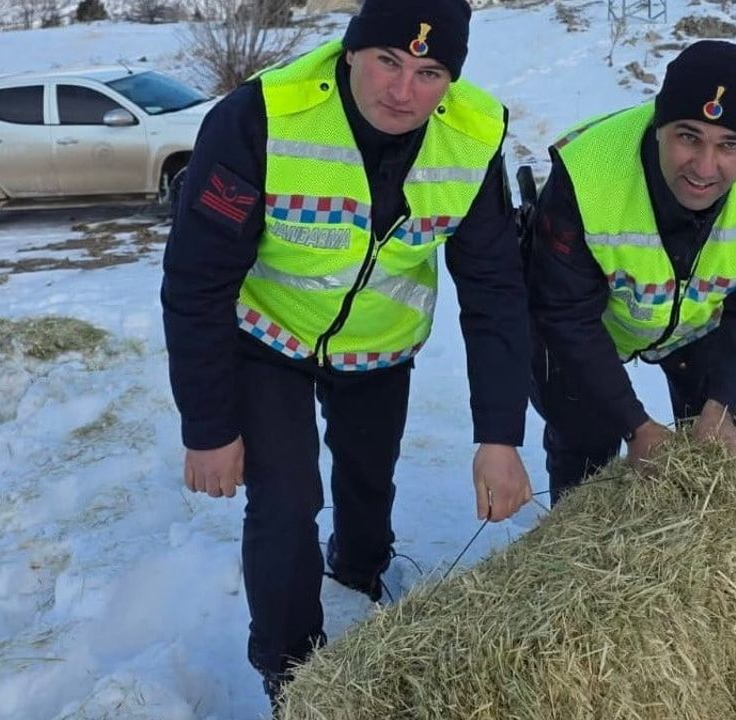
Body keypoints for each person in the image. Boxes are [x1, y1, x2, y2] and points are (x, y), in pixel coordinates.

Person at [160, 0, 533, 704]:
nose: (402, 92)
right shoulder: (260, 118)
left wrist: (499, 435)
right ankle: (294, 673)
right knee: (285, 502)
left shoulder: (475, 134)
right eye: (388, 61)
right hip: (268, 335)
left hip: (377, 348)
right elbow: (196, 281)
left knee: (368, 483)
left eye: (429, 73)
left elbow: (494, 292)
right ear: (352, 50)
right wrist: (209, 427)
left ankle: (360, 575)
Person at [527, 40, 736, 504]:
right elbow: (563, 314)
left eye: (729, 146)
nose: (703, 167)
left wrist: (724, 402)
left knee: (722, 442)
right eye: (688, 137)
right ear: (660, 124)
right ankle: (575, 549)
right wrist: (634, 425)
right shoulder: (588, 171)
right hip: (587, 328)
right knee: (585, 438)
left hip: (697, 326)